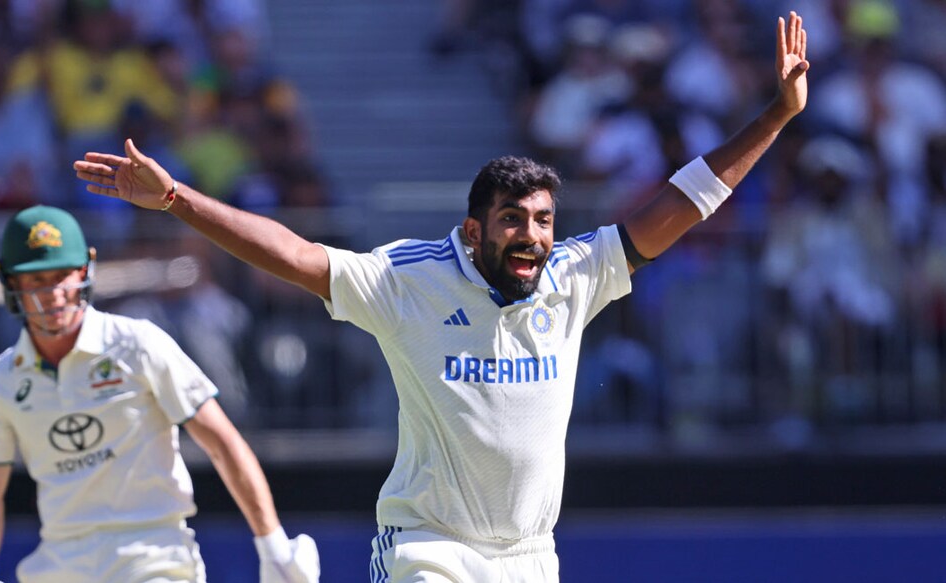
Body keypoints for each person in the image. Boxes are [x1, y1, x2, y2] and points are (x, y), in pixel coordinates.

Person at [73, 12, 810, 582]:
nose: (532, 237)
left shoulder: (572, 274)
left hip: (530, 555)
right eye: (513, 220)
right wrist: (177, 199)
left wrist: (775, 115)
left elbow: (677, 206)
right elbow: (294, 254)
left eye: (544, 221)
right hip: (429, 549)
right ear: (472, 229)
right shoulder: (410, 280)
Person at [0, 205, 319, 583]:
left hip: (154, 557)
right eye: (36, 280)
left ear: (84, 271)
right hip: (60, 564)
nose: (53, 294)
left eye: (62, 275)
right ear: (11, 283)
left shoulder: (137, 344)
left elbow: (222, 442)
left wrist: (273, 545)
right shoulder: (1, 379)